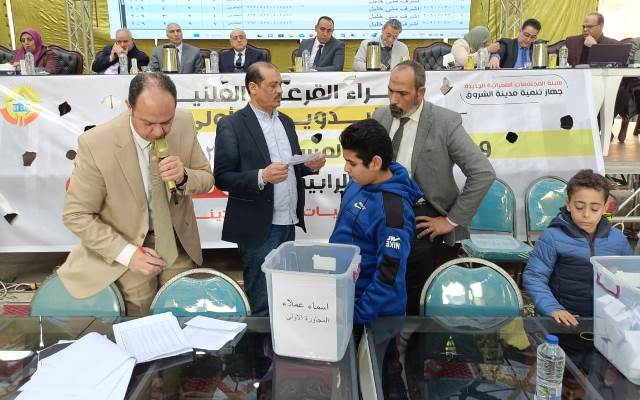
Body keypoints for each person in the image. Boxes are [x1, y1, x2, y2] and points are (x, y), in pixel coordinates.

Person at [57, 72, 214, 315]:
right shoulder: (96, 143)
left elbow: (206, 179)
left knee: (182, 308)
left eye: (167, 121)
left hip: (176, 240)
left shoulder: (184, 122)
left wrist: (184, 177)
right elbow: (76, 214)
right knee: (137, 312)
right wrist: (127, 254)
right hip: (126, 241)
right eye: (148, 123)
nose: (159, 131)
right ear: (129, 107)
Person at [373, 61, 496, 315]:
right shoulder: (380, 116)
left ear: (421, 92)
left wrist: (450, 221)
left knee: (417, 300)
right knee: (381, 293)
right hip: (381, 215)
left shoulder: (444, 122)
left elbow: (483, 173)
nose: (394, 100)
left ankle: (415, 339)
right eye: (390, 91)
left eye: (402, 93)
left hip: (422, 220)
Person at [214, 62, 326, 315]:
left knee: (286, 294)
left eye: (281, 84)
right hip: (259, 227)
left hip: (289, 222)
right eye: (273, 85)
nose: (280, 90)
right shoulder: (232, 124)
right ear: (253, 88)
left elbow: (291, 168)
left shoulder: (286, 122)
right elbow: (222, 177)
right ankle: (261, 340)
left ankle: (281, 338)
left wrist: (308, 167)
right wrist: (261, 176)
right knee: (263, 299)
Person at [329, 119, 422, 324]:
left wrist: (357, 314)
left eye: (352, 163)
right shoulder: (358, 181)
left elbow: (389, 274)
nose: (346, 168)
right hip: (346, 298)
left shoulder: (393, 212)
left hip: (373, 318)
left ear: (376, 163)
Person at [523, 170, 632, 327]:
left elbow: (630, 279)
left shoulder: (618, 240)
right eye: (579, 207)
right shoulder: (552, 237)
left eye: (594, 209)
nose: (586, 214)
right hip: (564, 318)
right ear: (568, 204)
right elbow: (535, 276)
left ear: (605, 207)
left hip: (607, 320)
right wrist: (553, 308)